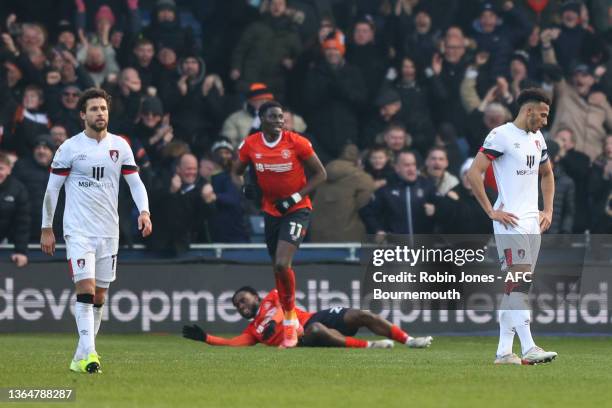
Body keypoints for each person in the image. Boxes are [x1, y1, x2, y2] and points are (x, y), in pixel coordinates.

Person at [40, 88, 152, 374]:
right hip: (78, 231)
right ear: (83, 115)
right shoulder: (69, 148)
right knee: (86, 291)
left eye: (103, 108)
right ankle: (91, 354)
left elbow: (135, 183)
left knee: (100, 297)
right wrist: (47, 227)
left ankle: (80, 355)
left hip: (108, 232)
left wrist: (144, 211)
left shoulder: (120, 145)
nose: (100, 113)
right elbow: (52, 190)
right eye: (93, 109)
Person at [466, 88, 557, 365]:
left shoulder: (538, 138)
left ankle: (504, 352)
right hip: (510, 222)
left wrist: (548, 209)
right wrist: (491, 211)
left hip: (532, 223)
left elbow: (548, 174)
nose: (544, 121)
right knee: (519, 284)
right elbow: (474, 172)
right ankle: (528, 347)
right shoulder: (501, 135)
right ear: (528, 111)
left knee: (515, 287)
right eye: (542, 115)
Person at [232, 101, 327, 348]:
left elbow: (321, 174)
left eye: (281, 117)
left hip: (298, 209)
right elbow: (235, 171)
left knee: (283, 263)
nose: (279, 121)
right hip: (271, 211)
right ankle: (290, 319)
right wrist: (244, 187)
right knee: (277, 268)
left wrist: (295, 197)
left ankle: (289, 320)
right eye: (273, 117)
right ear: (262, 119)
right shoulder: (251, 144)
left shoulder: (297, 142)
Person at [182, 286, 433, 349]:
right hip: (304, 336)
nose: (241, 306)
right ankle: (369, 346)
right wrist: (206, 337)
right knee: (315, 332)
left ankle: (408, 340)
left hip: (312, 317)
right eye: (237, 305)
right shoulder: (252, 332)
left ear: (255, 297)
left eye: (243, 300)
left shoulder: (272, 296)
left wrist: (275, 322)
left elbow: (285, 306)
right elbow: (232, 344)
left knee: (361, 314)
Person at [0, 151, 30, 268]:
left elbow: (22, 223)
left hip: (7, 245)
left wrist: (21, 251)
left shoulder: (18, 189)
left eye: (1, 168)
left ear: (8, 170)